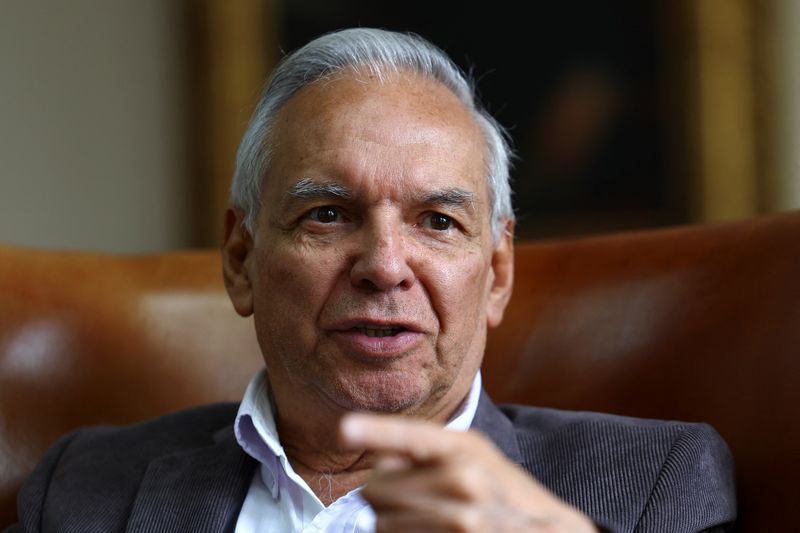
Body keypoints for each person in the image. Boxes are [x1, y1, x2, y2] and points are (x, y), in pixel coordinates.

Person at [12, 28, 735, 532]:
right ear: (241, 260)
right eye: (328, 214)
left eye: (438, 221)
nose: (386, 266)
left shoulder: (654, 482)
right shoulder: (86, 488)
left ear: (499, 271)